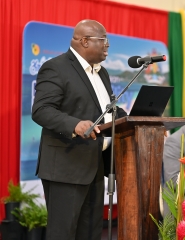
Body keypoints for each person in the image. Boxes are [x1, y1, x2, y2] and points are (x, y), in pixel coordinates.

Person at [31, 20, 127, 240]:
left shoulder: (101, 73)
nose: (108, 45)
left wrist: (135, 117)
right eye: (103, 40)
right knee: (63, 234)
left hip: (94, 165)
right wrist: (74, 124)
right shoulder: (56, 67)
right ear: (84, 41)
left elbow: (107, 110)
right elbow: (42, 110)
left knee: (91, 233)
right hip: (66, 167)